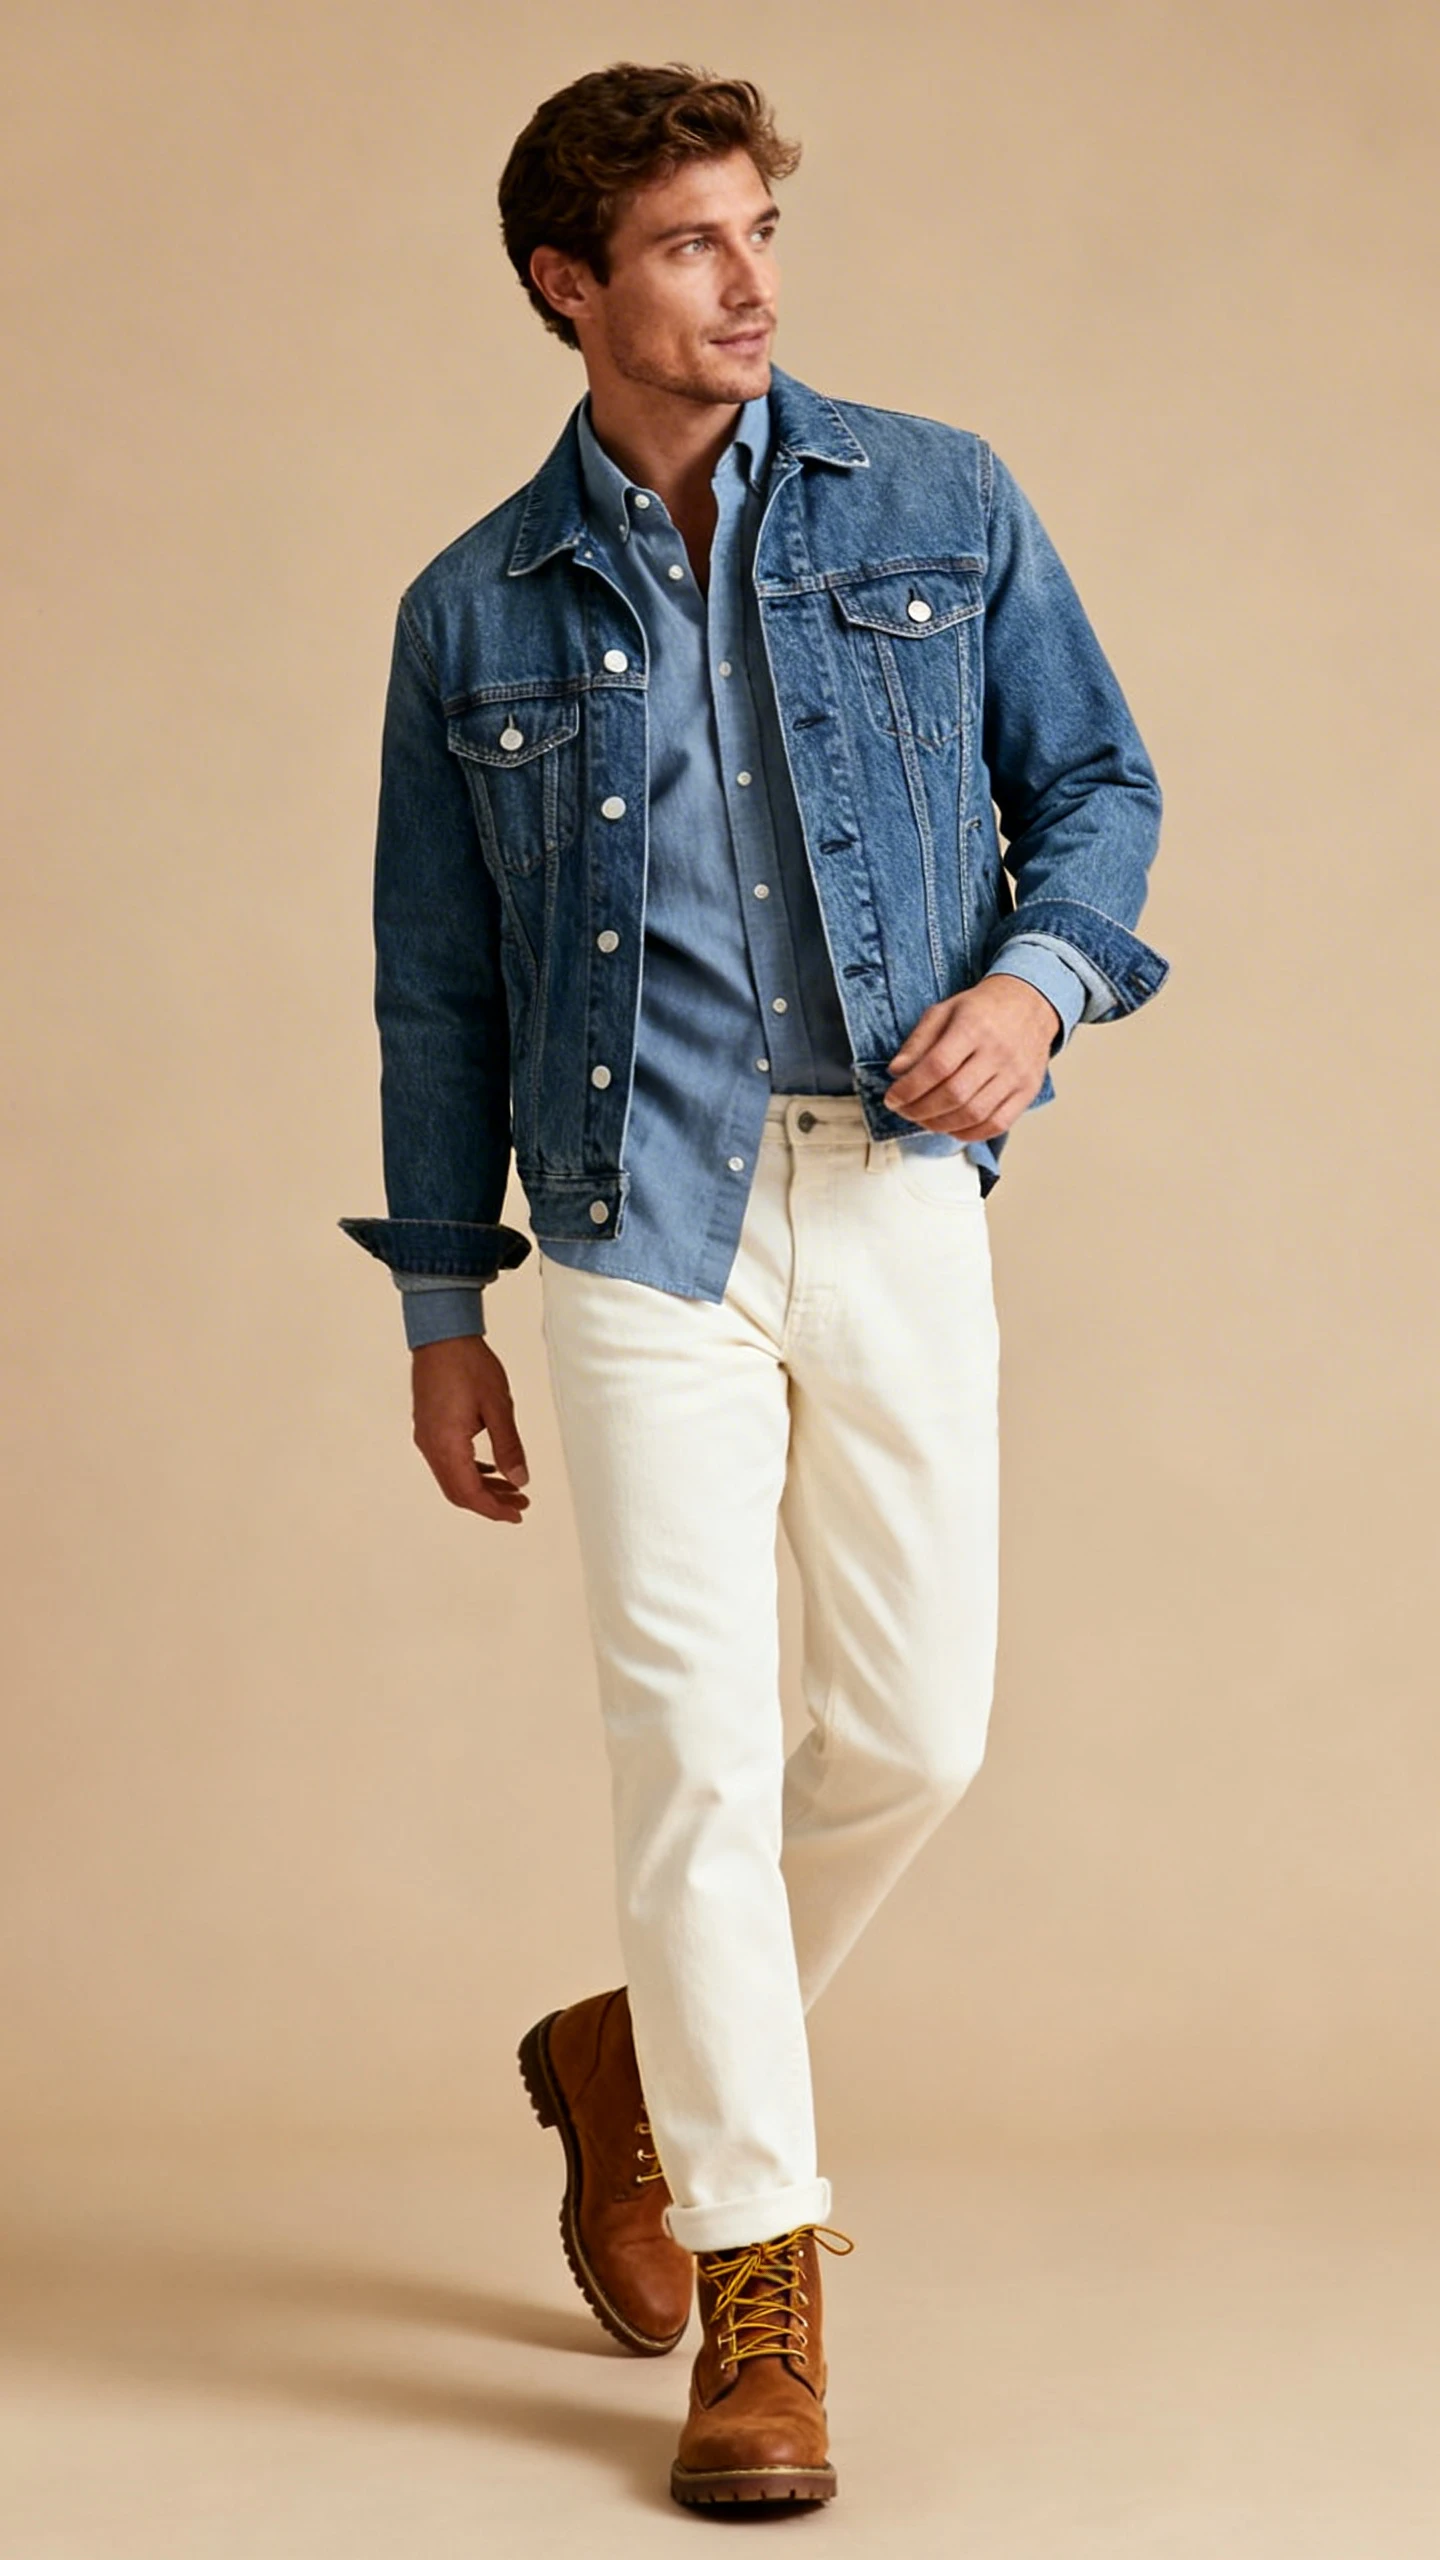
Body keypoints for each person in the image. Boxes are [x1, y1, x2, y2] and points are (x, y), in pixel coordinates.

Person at [340, 60, 1168, 2512]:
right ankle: (761, 2289)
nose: (750, 283)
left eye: (761, 231)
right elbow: (436, 993)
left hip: (893, 1186)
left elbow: (1099, 786)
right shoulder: (474, 607)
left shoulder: (938, 496)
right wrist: (440, 1311)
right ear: (566, 285)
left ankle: (632, 2048)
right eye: (691, 244)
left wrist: (1035, 983)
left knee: (916, 1729)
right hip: (631, 1220)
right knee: (689, 1756)